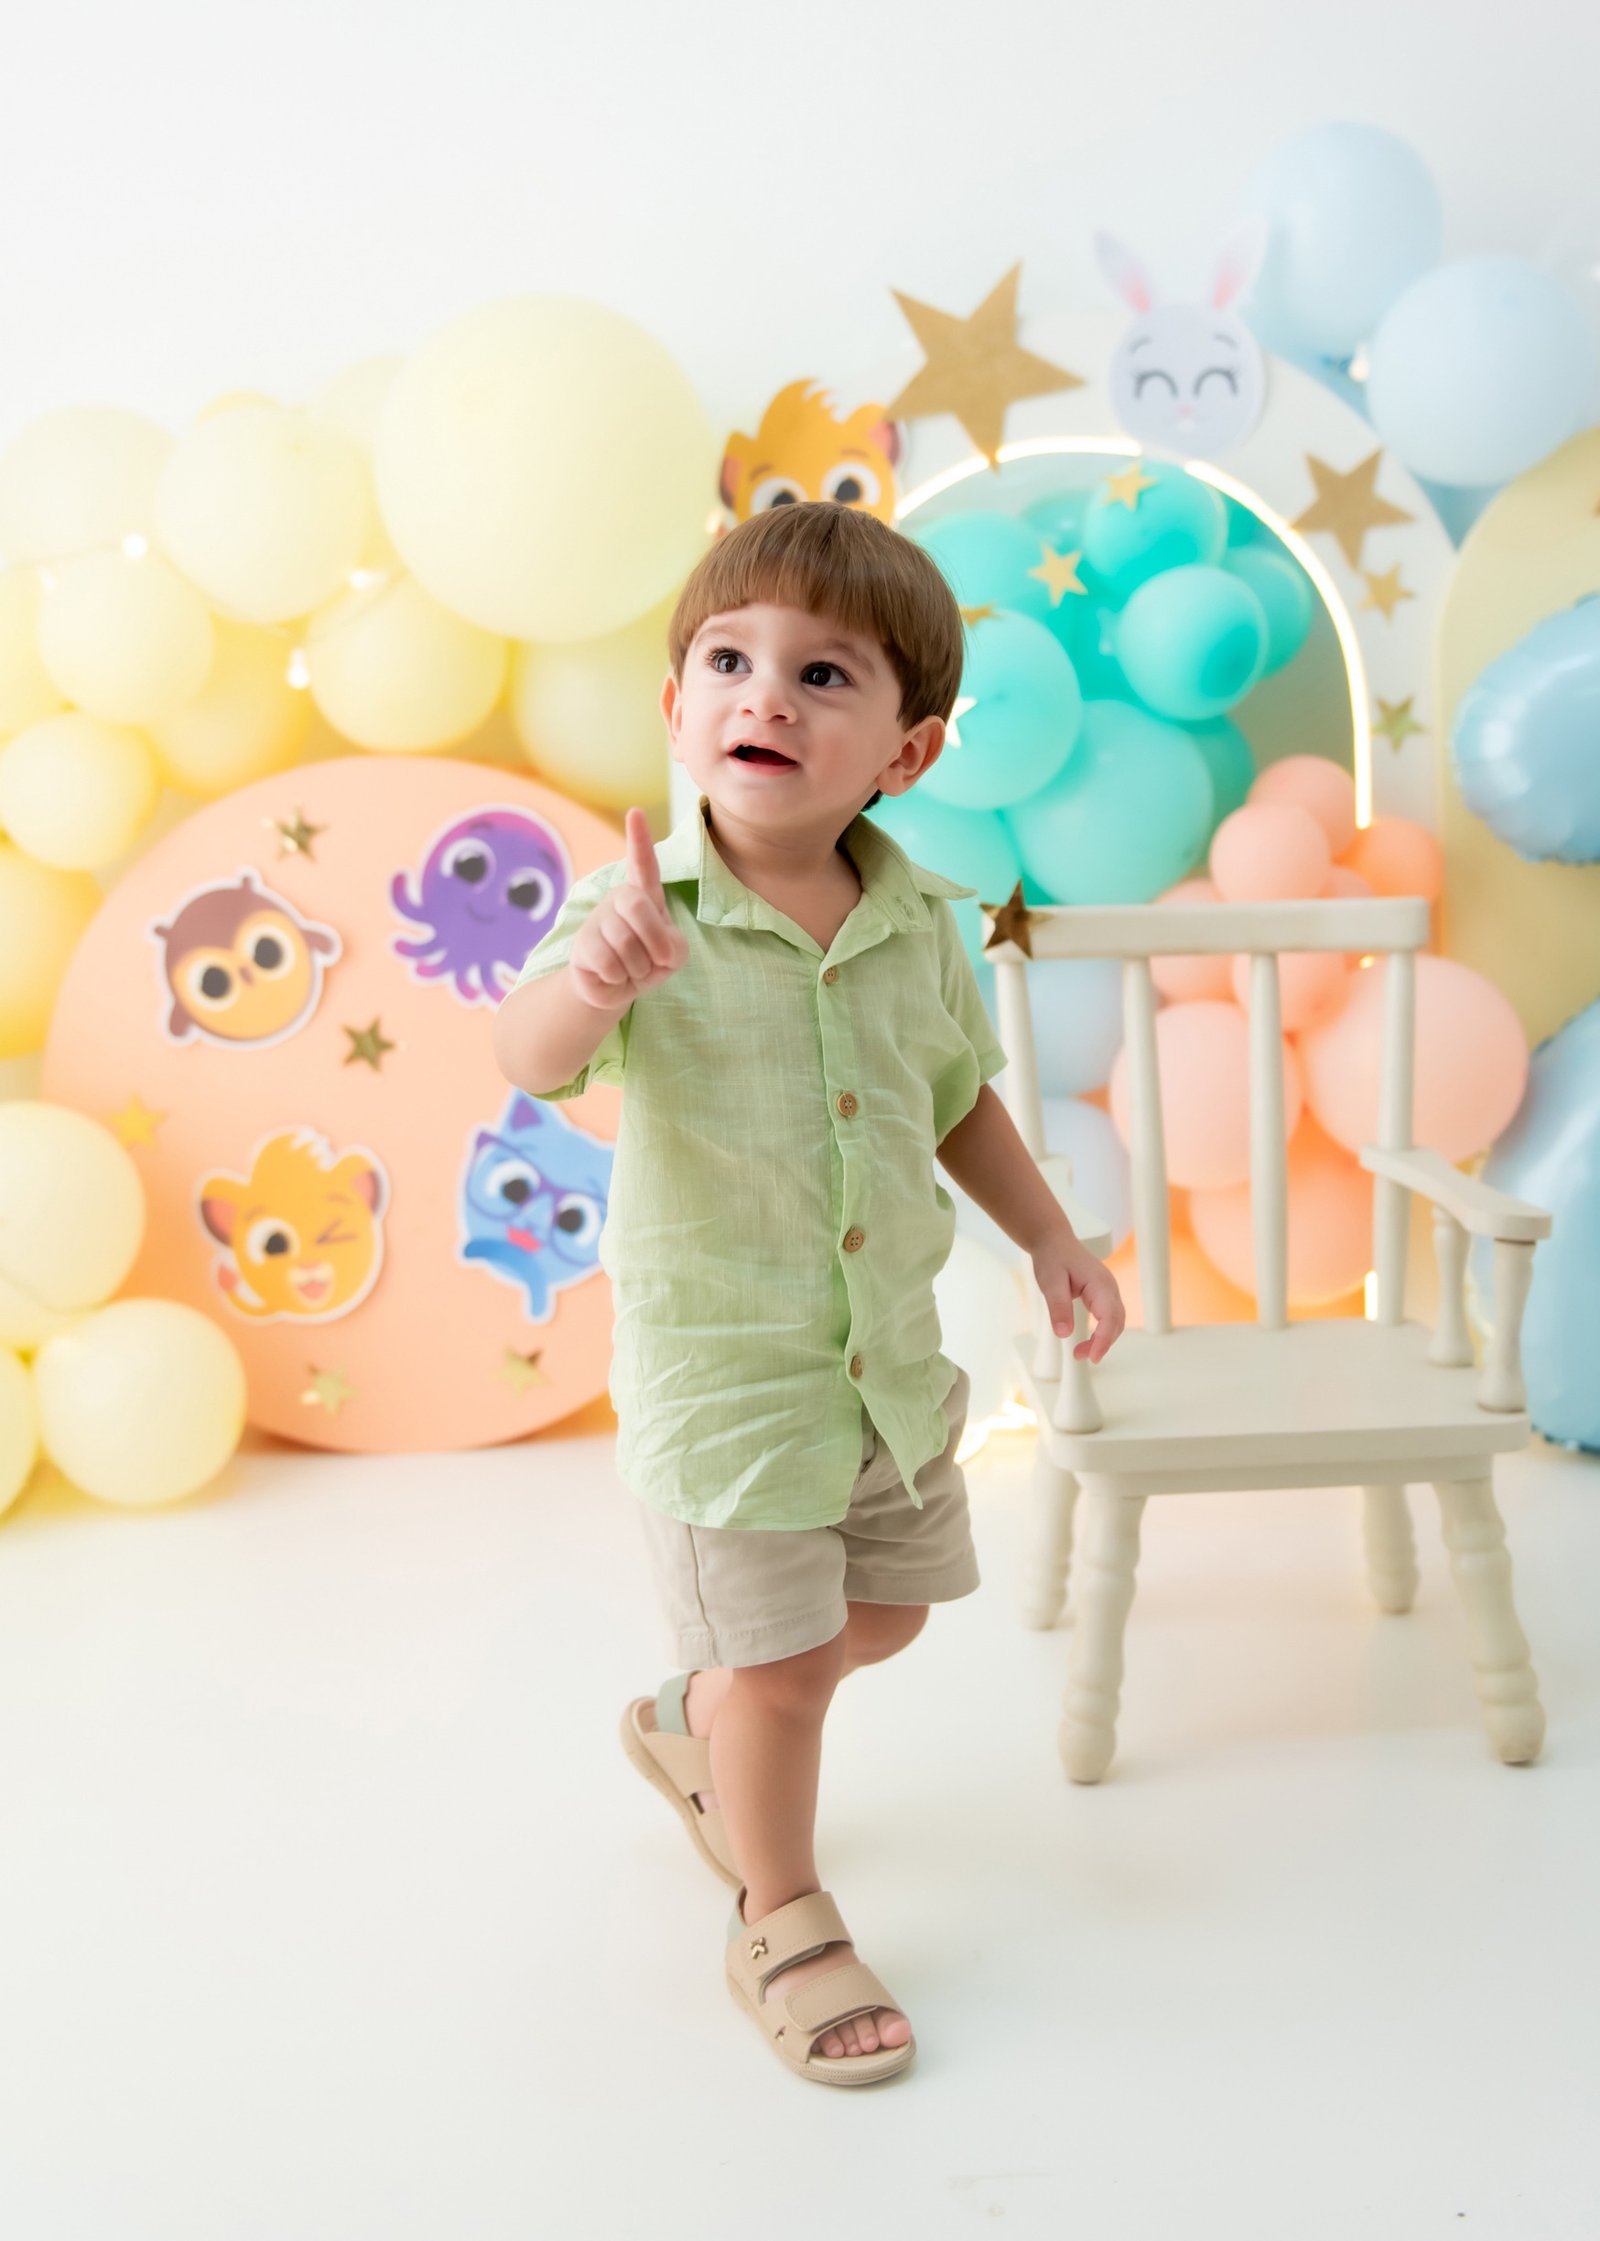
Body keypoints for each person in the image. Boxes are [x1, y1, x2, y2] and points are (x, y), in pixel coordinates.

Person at [491, 500, 1124, 2086]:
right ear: (677, 708)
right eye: (730, 661)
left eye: (821, 674)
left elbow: (959, 1099)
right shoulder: (641, 912)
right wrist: (595, 980)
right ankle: (779, 1910)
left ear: (907, 753)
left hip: (882, 1367)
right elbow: (530, 1053)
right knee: (784, 1674)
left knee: (878, 1614)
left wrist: (1052, 1236)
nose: (764, 695)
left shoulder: (919, 924)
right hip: (729, 1383)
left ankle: (697, 1717)